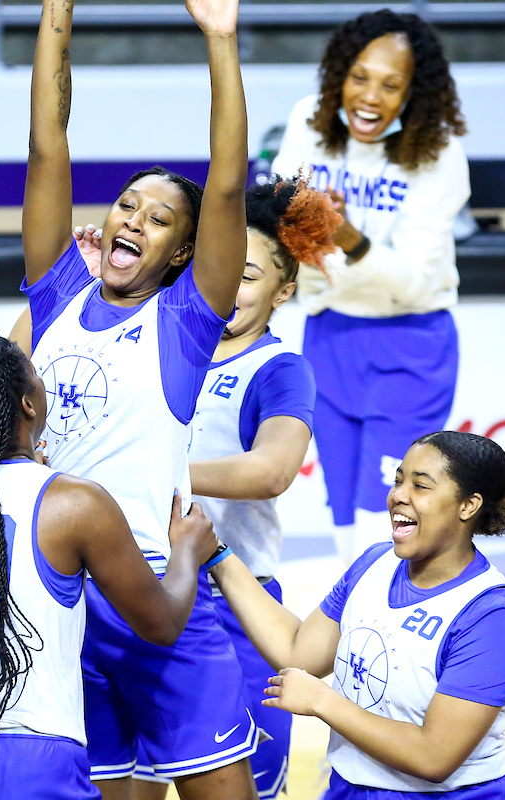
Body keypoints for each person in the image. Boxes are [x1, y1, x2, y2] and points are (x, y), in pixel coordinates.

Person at [22, 0, 256, 795]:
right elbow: (46, 146)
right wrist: (57, 12)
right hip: (60, 597)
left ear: (182, 252)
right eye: (127, 205)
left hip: (157, 588)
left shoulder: (184, 322)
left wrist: (220, 40)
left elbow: (228, 186)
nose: (134, 221)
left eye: (159, 220)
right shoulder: (57, 294)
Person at [0, 312, 218, 799]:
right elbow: (162, 624)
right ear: (28, 403)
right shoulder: (73, 504)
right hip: (30, 749)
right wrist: (188, 550)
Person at [126, 178, 340, 800]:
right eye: (217, 269)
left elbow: (272, 471)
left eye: (246, 276)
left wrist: (148, 467)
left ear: (284, 291)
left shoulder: (278, 369)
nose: (226, 288)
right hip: (132, 598)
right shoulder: (147, 341)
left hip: (233, 609)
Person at [212, 431, 505, 799]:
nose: (398, 495)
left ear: (468, 506)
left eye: (420, 486)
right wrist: (218, 556)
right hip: (351, 787)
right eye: (398, 480)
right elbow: (297, 653)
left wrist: (321, 701)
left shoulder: (493, 615)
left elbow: (434, 756)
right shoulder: (374, 563)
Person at [269, 9, 470, 565]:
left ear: (413, 93)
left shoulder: (440, 151)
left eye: (390, 85)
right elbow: (279, 212)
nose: (369, 97)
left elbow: (414, 281)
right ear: (339, 75)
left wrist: (346, 236)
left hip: (410, 341)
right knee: (341, 511)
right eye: (359, 78)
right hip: (328, 332)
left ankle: (384, 615)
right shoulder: (308, 120)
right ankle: (359, 615)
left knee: (384, 510)